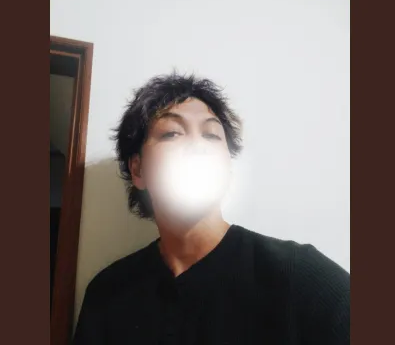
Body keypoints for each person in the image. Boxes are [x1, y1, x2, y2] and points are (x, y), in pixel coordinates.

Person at [73, 73, 350, 345]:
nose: (197, 146)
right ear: (138, 169)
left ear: (228, 167)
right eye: (172, 133)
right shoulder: (108, 295)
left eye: (212, 135)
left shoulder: (296, 275)